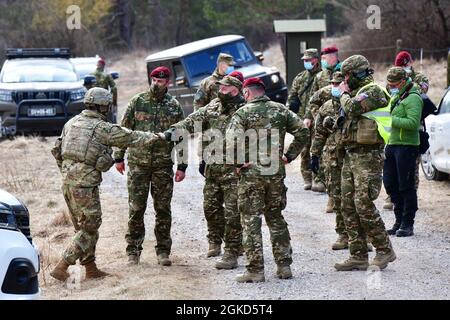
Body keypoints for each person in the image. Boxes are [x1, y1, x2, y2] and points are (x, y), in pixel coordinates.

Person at [50, 88, 161, 282]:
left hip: (68, 182)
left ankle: (91, 269)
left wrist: (69, 174)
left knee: (82, 229)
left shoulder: (71, 123)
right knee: (90, 228)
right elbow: (131, 137)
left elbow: (57, 151)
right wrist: (158, 136)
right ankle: (62, 265)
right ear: (103, 106)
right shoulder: (102, 128)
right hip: (84, 185)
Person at [226, 77, 310, 282]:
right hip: (275, 174)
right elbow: (303, 131)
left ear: (246, 93)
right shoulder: (280, 110)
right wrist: (289, 156)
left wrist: (239, 162)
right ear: (262, 92)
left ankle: (255, 270)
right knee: (275, 217)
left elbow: (230, 141)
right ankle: (284, 266)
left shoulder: (242, 113)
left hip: (252, 176)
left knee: (251, 220)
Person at [164, 74, 245, 267]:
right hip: (212, 168)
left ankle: (232, 252)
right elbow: (192, 120)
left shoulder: (244, 109)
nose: (220, 91)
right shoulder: (213, 106)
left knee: (233, 212)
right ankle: (215, 241)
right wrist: (175, 129)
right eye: (220, 88)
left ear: (235, 90)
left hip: (235, 170)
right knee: (211, 208)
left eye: (224, 88)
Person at [113, 66, 186, 266]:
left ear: (167, 83)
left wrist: (183, 166)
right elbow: (124, 130)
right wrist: (118, 157)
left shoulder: (174, 106)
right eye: (154, 80)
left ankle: (163, 251)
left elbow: (181, 136)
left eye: (161, 81)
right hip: (138, 165)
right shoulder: (138, 101)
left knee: (163, 209)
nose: (157, 83)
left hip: (163, 165)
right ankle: (133, 252)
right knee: (136, 209)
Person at [333, 55, 396, 271]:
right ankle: (358, 255)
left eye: (348, 75)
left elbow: (352, 108)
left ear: (357, 73)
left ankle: (384, 249)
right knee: (347, 204)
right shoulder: (355, 93)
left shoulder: (373, 90)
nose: (345, 79)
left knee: (363, 203)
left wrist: (342, 94)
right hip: (352, 154)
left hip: (369, 156)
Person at [383, 51, 430, 210]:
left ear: (410, 63)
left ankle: (410, 198)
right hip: (395, 132)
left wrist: (410, 83)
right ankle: (393, 198)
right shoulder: (393, 80)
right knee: (392, 171)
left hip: (412, 129)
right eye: (399, 66)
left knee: (410, 169)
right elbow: (389, 95)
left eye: (404, 65)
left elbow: (422, 91)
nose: (403, 68)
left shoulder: (419, 79)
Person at [383, 67, 423, 237]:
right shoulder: (396, 96)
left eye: (393, 84)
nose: (390, 86)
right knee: (390, 183)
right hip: (392, 144)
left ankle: (407, 223)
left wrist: (390, 119)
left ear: (403, 82)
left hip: (407, 146)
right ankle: (398, 220)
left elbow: (413, 123)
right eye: (389, 83)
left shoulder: (414, 98)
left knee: (406, 185)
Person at [286, 48, 321, 190]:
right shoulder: (300, 78)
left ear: (316, 60)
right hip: (302, 120)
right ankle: (307, 177)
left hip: (318, 118)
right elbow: (292, 96)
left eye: (308, 60)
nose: (306, 62)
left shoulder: (323, 76)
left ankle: (318, 178)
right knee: (305, 149)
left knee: (318, 149)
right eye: (304, 60)